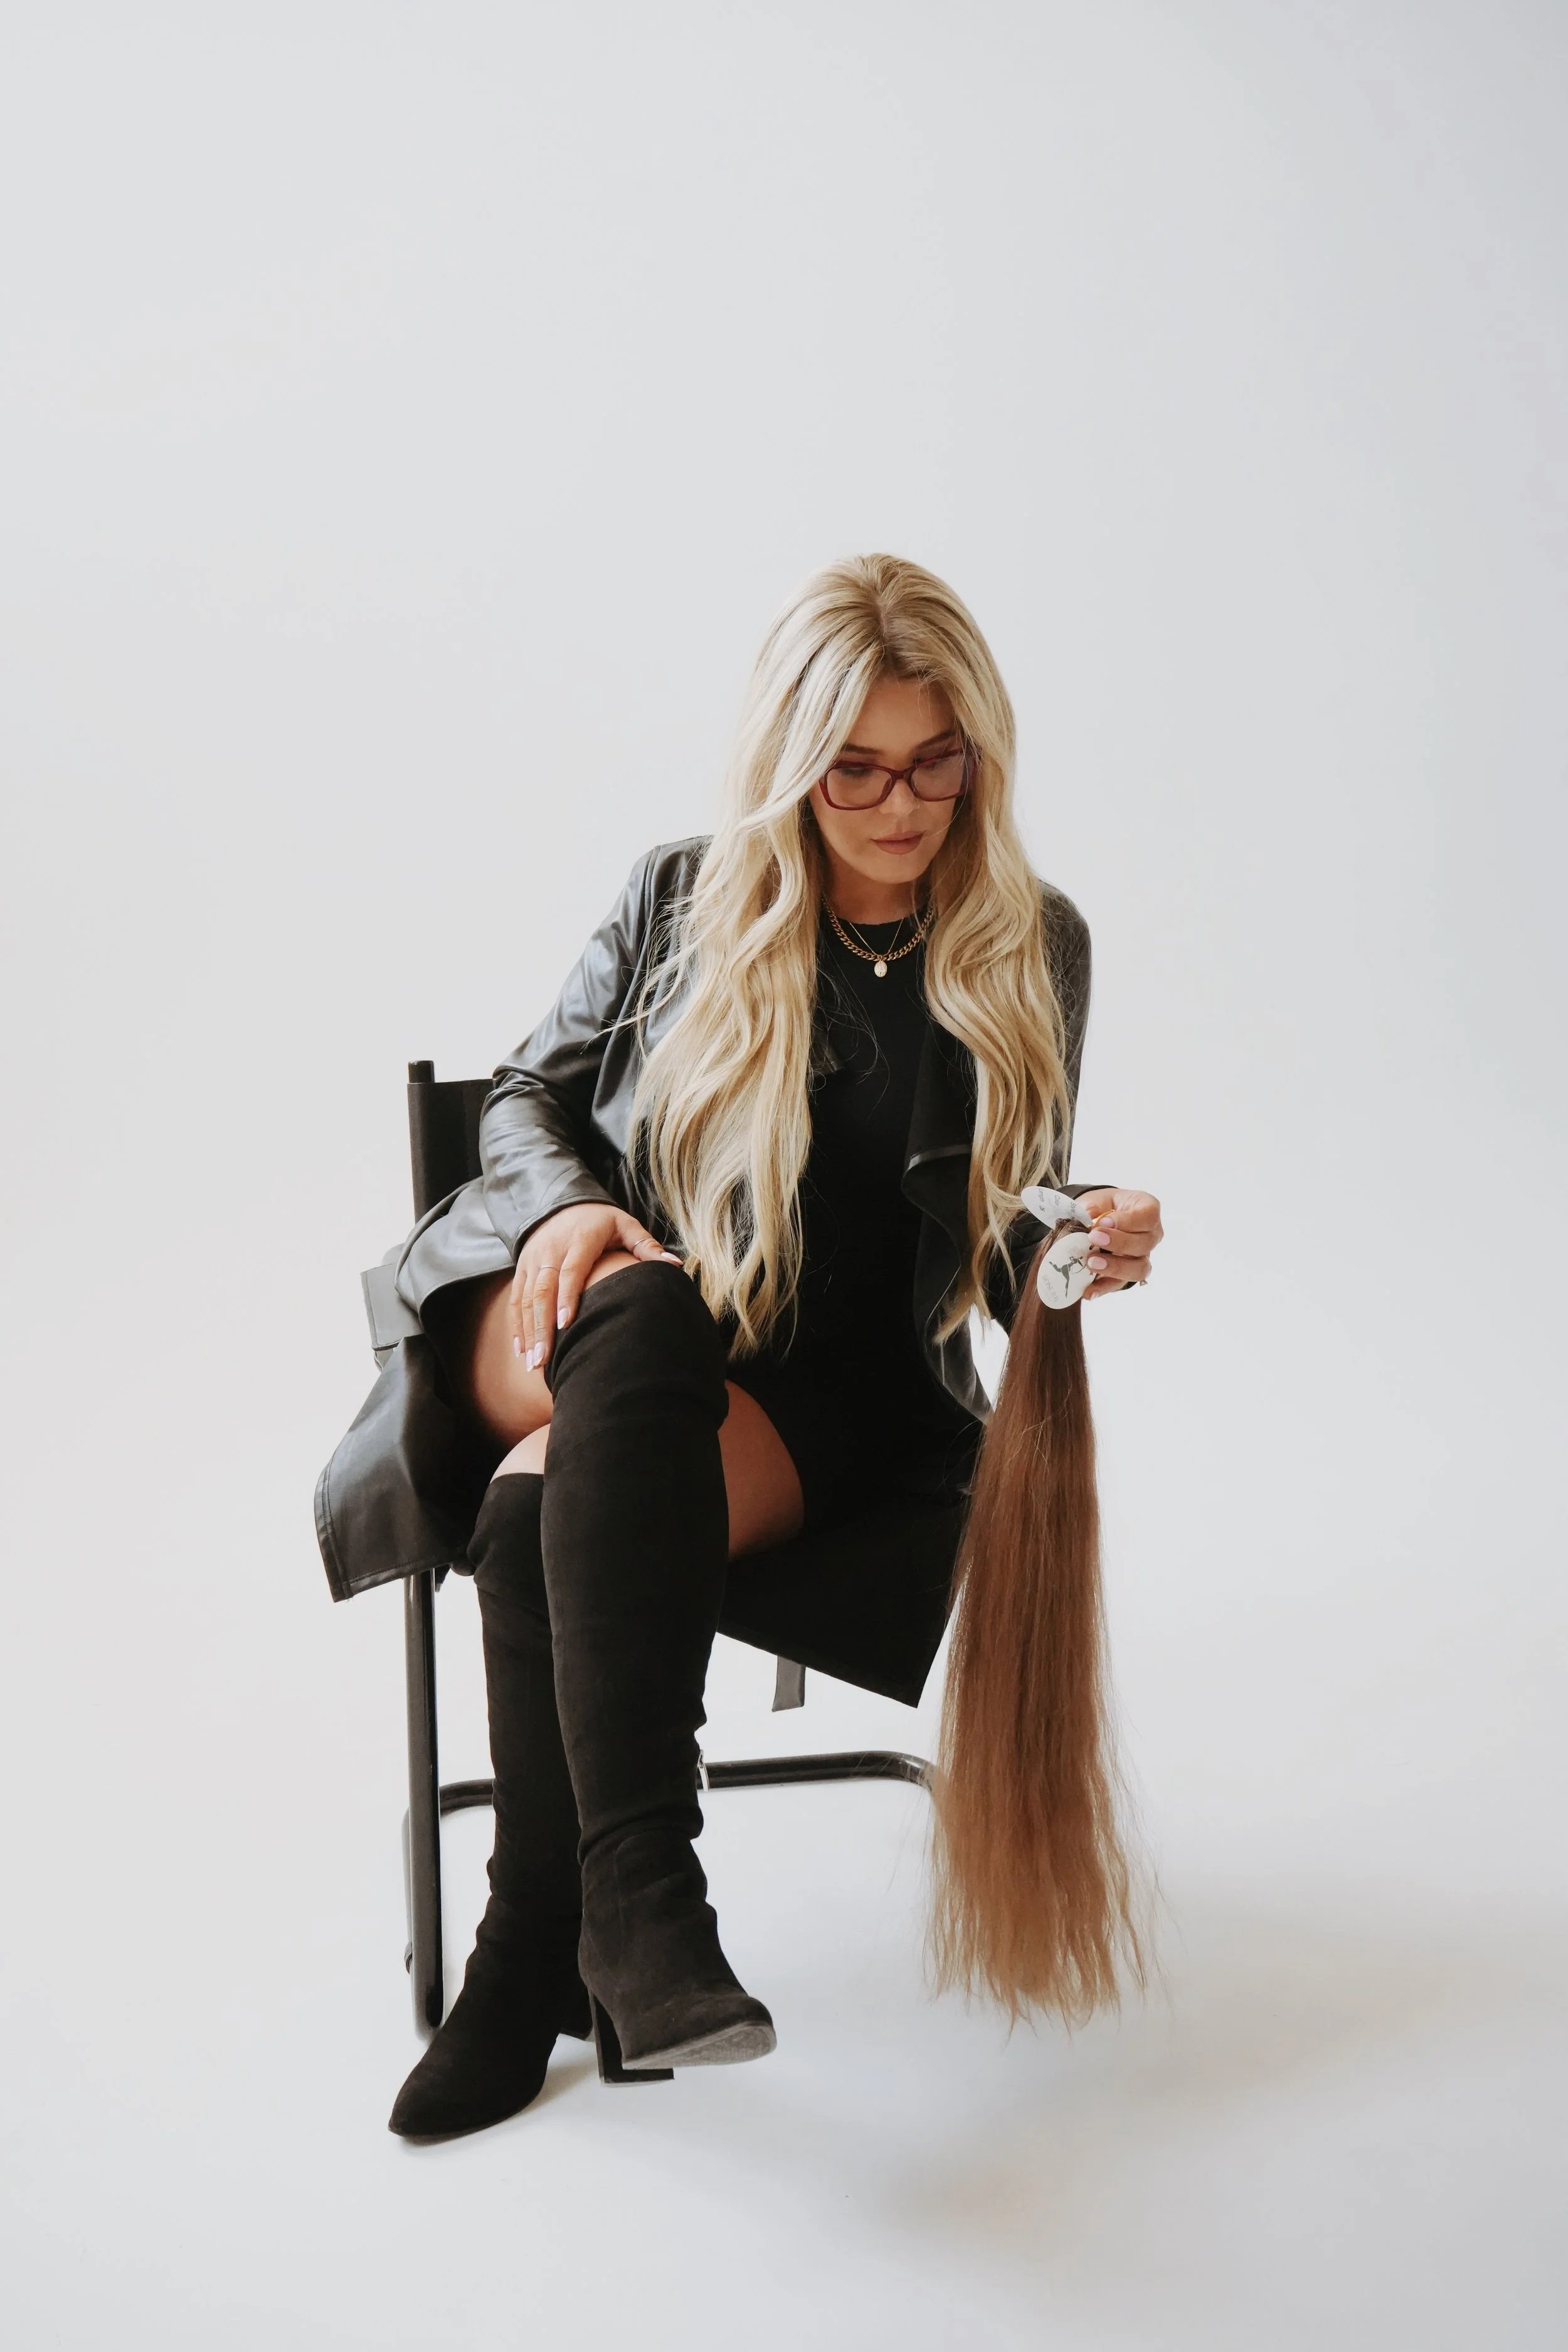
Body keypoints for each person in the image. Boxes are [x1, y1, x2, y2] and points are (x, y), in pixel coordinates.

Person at [340, 553, 1163, 2138]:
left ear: (977, 754)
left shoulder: (1027, 942)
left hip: (814, 1402)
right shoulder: (682, 897)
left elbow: (998, 1235)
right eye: (854, 769)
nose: (899, 805)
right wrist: (575, 1203)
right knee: (641, 1314)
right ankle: (648, 1905)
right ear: (791, 760)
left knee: (541, 1503)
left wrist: (1078, 1242)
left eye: (933, 763)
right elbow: (523, 1098)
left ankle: (534, 1947)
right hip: (578, 1306)